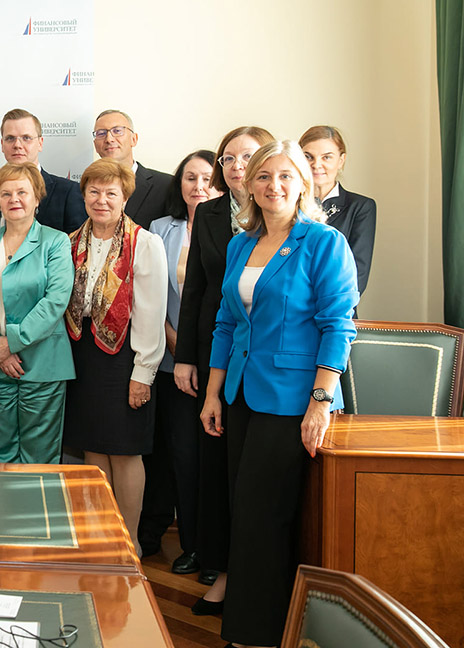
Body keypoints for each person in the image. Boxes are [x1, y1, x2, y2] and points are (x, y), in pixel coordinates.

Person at [200, 140, 357, 647]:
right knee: (243, 513)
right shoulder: (240, 244)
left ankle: (261, 635)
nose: (274, 186)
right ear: (249, 183)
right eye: (265, 176)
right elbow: (226, 323)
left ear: (304, 184)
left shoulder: (324, 242)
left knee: (264, 517)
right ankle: (250, 629)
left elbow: (338, 326)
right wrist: (212, 394)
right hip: (241, 397)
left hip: (291, 401)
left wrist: (320, 401)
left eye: (286, 176)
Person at [173, 125, 274, 608]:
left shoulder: (290, 221)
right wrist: (187, 358)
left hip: (273, 363)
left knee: (255, 478)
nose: (236, 165)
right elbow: (194, 290)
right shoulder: (210, 214)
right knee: (215, 466)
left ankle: (253, 578)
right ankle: (218, 563)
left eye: (246, 157)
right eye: (228, 158)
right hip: (218, 352)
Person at [62, 158, 166, 557]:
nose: (101, 200)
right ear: (84, 195)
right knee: (93, 450)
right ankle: (101, 533)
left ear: (125, 197)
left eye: (111, 193)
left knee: (125, 451)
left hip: (126, 357)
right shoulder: (71, 241)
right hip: (84, 355)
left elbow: (151, 312)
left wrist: (143, 372)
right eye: (93, 191)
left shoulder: (145, 242)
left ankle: (129, 538)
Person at [140, 150, 220, 573]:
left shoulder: (237, 228)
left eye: (207, 178)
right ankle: (191, 545)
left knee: (214, 462)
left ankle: (216, 551)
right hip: (172, 364)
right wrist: (175, 345)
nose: (198, 186)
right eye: (190, 178)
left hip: (219, 363)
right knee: (181, 457)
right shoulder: (159, 229)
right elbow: (152, 297)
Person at [0, 163, 74, 464]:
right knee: (3, 452)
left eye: (22, 191)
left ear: (37, 197)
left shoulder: (55, 241)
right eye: (6, 193)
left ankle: (38, 512)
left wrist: (12, 341)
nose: (14, 199)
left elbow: (55, 301)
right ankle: (3, 512)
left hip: (43, 363)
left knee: (40, 457)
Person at [0, 109, 85, 234]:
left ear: (40, 143)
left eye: (26, 138)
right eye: (10, 138)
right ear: (2, 144)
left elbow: (76, 247)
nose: (17, 145)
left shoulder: (67, 192)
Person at [300, 125, 377, 296]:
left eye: (326, 157)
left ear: (341, 161)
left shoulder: (360, 207)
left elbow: (357, 275)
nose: (316, 165)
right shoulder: (287, 204)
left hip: (336, 311)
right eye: (308, 157)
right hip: (289, 312)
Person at [91, 109, 170, 228]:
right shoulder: (85, 189)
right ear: (95, 145)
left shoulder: (166, 185)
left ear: (134, 139)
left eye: (117, 131)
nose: (109, 139)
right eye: (101, 133)